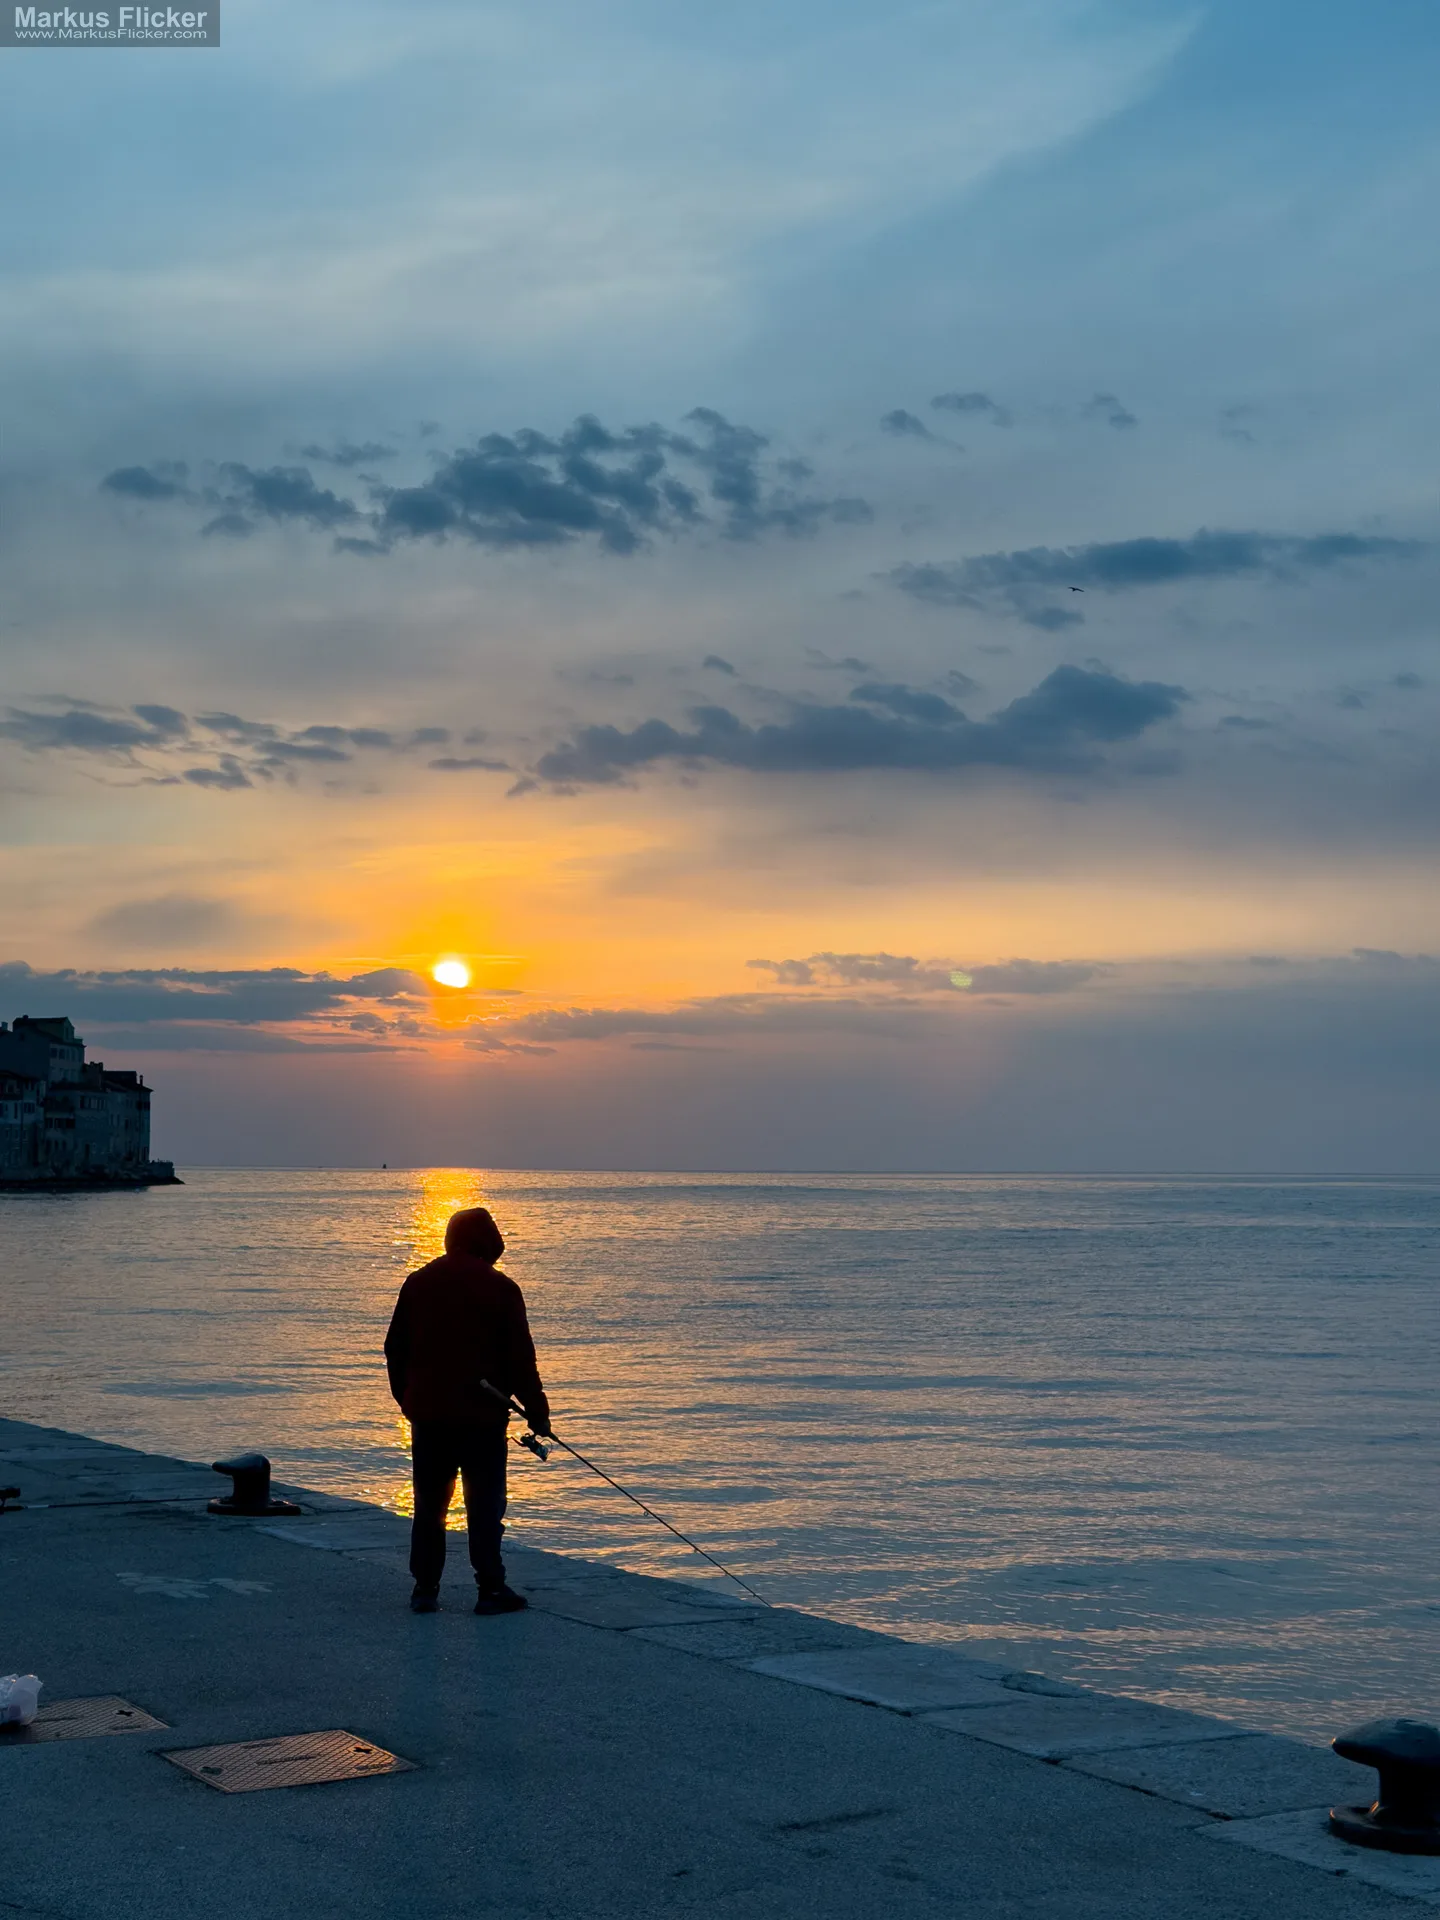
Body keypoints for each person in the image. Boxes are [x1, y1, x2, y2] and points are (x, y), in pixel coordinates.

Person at [384, 1206, 551, 1614]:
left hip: (429, 1418)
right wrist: (538, 1412)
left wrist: (407, 1401)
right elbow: (520, 1360)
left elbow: (394, 1349)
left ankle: (425, 1589)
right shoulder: (502, 1288)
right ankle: (490, 1589)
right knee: (485, 1507)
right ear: (489, 1244)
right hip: (482, 1420)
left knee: (429, 1506)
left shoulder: (417, 1283)